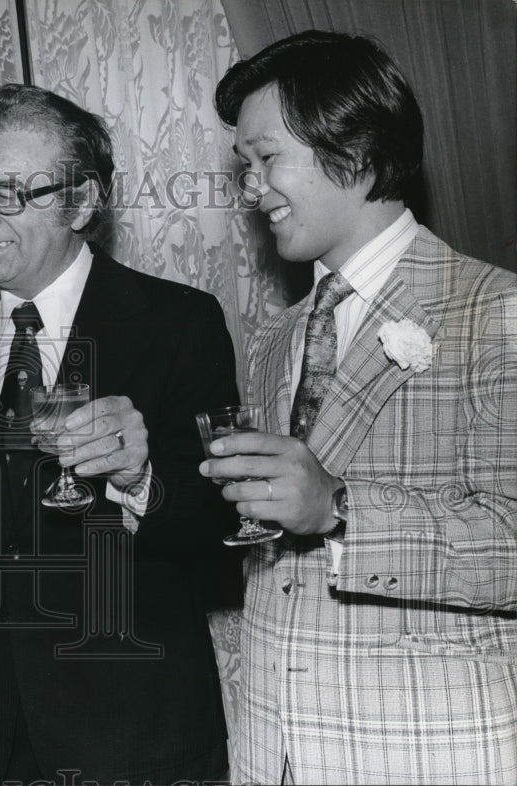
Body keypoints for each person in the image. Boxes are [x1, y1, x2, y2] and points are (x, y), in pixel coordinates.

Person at [0, 84, 241, 785]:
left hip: (135, 727)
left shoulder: (179, 322)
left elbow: (220, 527)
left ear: (82, 204)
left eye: (13, 195)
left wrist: (139, 478)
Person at [207, 30, 517, 784]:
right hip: (272, 752)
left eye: (267, 158)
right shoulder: (277, 336)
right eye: (244, 168)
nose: (252, 190)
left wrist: (342, 508)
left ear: (355, 149)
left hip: (427, 750)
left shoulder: (494, 308)